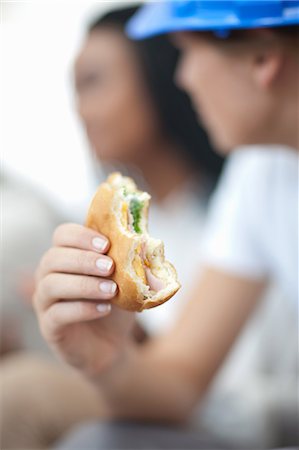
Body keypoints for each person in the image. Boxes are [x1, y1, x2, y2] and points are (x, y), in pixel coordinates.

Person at [31, 2, 298, 449]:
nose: (182, 78)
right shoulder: (261, 172)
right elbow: (181, 381)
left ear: (262, 59)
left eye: (188, 53)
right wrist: (105, 359)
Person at [1, 6, 229, 450]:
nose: (81, 110)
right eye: (74, 90)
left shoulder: (230, 207)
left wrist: (140, 341)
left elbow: (233, 390)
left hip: (210, 413)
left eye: (94, 82)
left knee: (18, 396)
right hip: (142, 388)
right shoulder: (107, 220)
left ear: (157, 76)